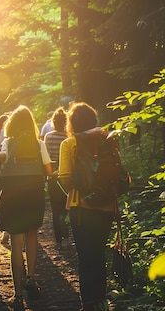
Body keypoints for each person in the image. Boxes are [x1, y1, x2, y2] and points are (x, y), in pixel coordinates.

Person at [58, 102, 116, 311]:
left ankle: (88, 303)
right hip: (107, 207)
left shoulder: (69, 144)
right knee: (99, 254)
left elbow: (64, 176)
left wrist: (80, 189)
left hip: (80, 207)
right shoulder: (108, 138)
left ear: (72, 123)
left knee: (85, 256)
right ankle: (101, 301)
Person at [0, 105, 53, 305]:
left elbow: (2, 159)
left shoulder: (8, 142)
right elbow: (49, 171)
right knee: (32, 236)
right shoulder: (38, 143)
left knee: (16, 243)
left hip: (12, 195)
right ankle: (31, 278)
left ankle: (18, 293)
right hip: (34, 195)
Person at [43, 107, 69, 249]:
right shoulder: (69, 137)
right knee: (67, 203)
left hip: (52, 175)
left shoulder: (49, 136)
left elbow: (46, 157)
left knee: (55, 207)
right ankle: (64, 219)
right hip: (66, 174)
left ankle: (58, 240)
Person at [0, 113, 11, 244]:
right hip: (24, 174)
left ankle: (6, 231)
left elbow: (1, 152)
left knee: (5, 200)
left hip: (5, 170)